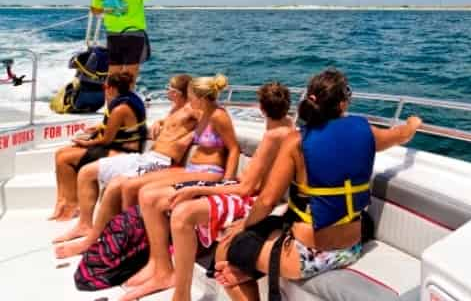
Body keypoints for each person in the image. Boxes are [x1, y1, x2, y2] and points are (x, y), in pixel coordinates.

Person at [213, 69, 423, 301]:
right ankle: (244, 272)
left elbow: (267, 200)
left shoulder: (296, 142)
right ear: (343, 105)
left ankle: (242, 273)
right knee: (272, 226)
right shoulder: (367, 132)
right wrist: (412, 123)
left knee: (225, 250)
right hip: (352, 248)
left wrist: (244, 226)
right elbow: (402, 134)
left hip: (308, 257)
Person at [119, 82, 295, 301]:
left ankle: (179, 292)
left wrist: (196, 189)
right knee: (150, 198)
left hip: (248, 197)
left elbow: (246, 188)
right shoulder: (288, 127)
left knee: (183, 212)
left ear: (261, 108)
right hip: (243, 190)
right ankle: (160, 267)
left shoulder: (273, 136)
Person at [52, 74, 238, 246]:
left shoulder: (210, 114)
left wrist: (227, 184)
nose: (167, 91)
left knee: (124, 186)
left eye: (171, 88)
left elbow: (233, 148)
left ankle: (129, 240)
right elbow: (180, 124)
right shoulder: (187, 111)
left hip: (178, 164)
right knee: (90, 173)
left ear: (196, 96)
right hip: (162, 160)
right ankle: (95, 228)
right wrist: (161, 122)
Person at [49, 72, 146, 221]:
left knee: (64, 159)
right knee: (60, 153)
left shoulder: (120, 108)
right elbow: (119, 127)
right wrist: (98, 127)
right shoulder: (127, 100)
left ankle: (72, 204)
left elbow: (106, 140)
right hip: (117, 146)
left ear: (112, 88)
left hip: (125, 152)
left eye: (105, 86)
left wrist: (85, 143)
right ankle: (62, 201)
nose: (104, 89)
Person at [91, 0, 169, 84]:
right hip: (133, 36)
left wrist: (112, 10)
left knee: (113, 74)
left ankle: (110, 103)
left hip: (112, 35)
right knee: (129, 77)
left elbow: (95, 10)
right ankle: (126, 103)